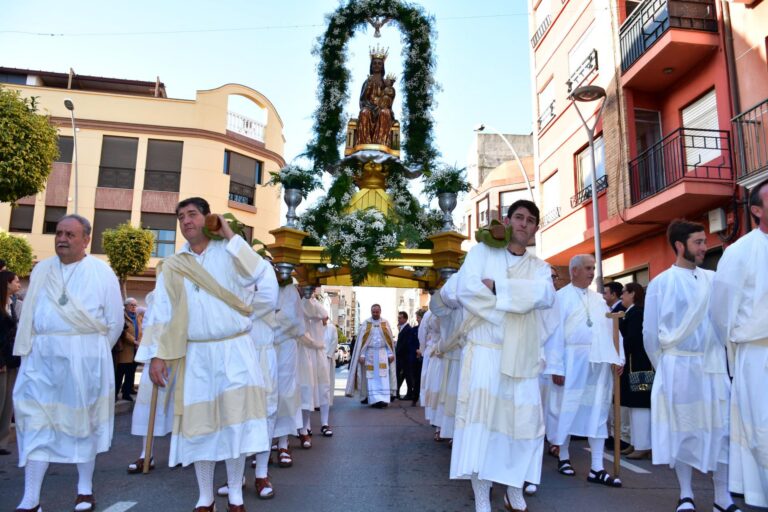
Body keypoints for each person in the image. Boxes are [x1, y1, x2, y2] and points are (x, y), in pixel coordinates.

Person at [137, 197, 272, 512]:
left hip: (235, 349)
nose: (186, 221)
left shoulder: (230, 254)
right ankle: (205, 497)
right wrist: (157, 356)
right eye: (181, 216)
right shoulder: (172, 266)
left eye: (193, 214)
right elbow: (163, 313)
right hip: (196, 354)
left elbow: (257, 273)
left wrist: (228, 234)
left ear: (207, 218)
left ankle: (236, 494)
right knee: (201, 426)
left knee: (236, 423)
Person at [451, 199, 558, 512]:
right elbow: (467, 291)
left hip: (522, 355)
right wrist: (514, 307)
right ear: (508, 221)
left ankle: (514, 490)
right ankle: (483, 497)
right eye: (519, 217)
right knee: (483, 426)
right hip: (486, 352)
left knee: (522, 427)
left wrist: (498, 288)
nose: (524, 224)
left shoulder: (540, 267)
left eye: (530, 220)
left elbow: (546, 295)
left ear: (536, 228)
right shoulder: (482, 253)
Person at [13, 214, 124, 512]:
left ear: (86, 239)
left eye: (70, 234)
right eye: (59, 233)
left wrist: (89, 353)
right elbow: (31, 316)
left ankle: (84, 490)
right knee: (35, 422)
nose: (62, 238)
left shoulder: (102, 273)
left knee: (82, 424)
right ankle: (31, 497)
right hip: (41, 359)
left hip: (84, 360)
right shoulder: (42, 271)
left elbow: (113, 323)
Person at [645, 219, 738, 512]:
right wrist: (668, 368)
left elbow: (725, 321)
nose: (704, 247)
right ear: (679, 246)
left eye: (704, 241)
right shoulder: (661, 283)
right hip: (679, 368)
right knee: (684, 430)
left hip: (712, 366)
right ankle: (686, 494)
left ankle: (722, 498)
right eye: (698, 242)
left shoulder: (714, 279)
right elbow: (650, 335)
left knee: (722, 430)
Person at [711, 178, 768, 510]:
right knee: (761, 427)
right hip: (757, 352)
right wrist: (736, 352)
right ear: (757, 210)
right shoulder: (739, 252)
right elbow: (721, 312)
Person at [547, 253, 624, 489]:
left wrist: (618, 356)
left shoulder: (599, 300)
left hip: (597, 364)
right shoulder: (560, 298)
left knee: (597, 412)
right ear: (574, 271)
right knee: (566, 410)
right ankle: (563, 457)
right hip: (571, 362)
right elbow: (554, 334)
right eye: (588, 268)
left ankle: (597, 468)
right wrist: (556, 366)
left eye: (593, 268)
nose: (592, 272)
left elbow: (612, 328)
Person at [127, 292, 175, 475]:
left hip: (183, 354)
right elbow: (149, 323)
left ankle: (180, 452)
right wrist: (156, 349)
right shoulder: (157, 295)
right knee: (148, 408)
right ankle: (146, 454)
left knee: (183, 409)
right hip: (157, 353)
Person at [270, 277, 304, 468]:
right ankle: (263, 447)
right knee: (266, 395)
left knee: (285, 394)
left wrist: (272, 319)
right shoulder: (263, 283)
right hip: (265, 345)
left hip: (286, 346)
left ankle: (283, 443)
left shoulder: (291, 291)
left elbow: (292, 320)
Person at [618, 282, 652, 460]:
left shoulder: (636, 313)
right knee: (633, 405)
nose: (621, 296)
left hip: (639, 366)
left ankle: (643, 444)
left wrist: (616, 344)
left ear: (632, 294)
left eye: (624, 292)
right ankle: (636, 442)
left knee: (640, 405)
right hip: (633, 365)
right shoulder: (631, 313)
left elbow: (633, 339)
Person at [345, 304, 396, 408]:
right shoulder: (366, 323)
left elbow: (389, 341)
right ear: (371, 312)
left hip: (382, 354)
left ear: (380, 311)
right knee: (371, 377)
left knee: (383, 377)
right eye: (373, 312)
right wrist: (362, 354)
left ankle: (383, 399)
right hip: (370, 354)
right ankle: (374, 400)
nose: (375, 314)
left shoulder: (385, 323)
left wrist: (390, 353)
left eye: (377, 312)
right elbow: (361, 342)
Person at [300, 289, 329, 447]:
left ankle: (324, 423)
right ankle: (306, 427)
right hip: (305, 350)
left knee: (323, 388)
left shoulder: (315, 303)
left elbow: (322, 313)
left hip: (318, 351)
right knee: (307, 390)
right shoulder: (301, 303)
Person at [0, 271, 22, 456]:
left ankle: (2, 443)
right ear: (6, 284)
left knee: (8, 403)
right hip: (1, 361)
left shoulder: (11, 304)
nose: (19, 284)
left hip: (11, 360)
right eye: (16, 281)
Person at [114, 297, 142, 402]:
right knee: (120, 373)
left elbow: (141, 331)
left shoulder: (138, 317)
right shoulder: (121, 317)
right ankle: (115, 393)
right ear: (125, 306)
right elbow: (123, 332)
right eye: (131, 305)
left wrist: (139, 341)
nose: (134, 307)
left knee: (131, 372)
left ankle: (127, 392)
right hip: (125, 350)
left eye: (135, 305)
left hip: (135, 350)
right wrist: (134, 341)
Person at [321, 315, 338, 435]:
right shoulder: (313, 326)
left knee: (325, 386)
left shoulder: (332, 328)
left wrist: (327, 355)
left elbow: (334, 341)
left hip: (327, 358)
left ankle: (325, 423)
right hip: (314, 358)